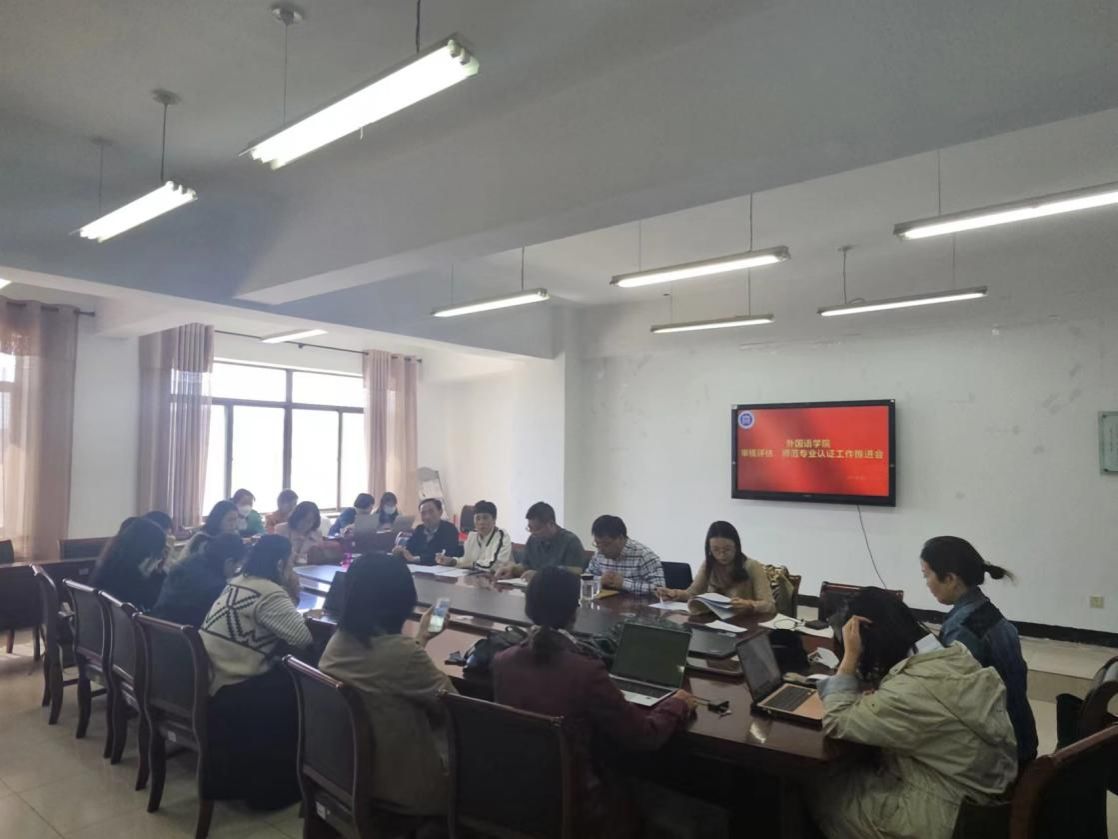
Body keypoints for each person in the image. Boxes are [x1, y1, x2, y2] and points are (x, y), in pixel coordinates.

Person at [809, 588, 1017, 839]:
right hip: (979, 806)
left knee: (821, 788)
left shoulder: (909, 690)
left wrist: (849, 659)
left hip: (941, 817)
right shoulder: (957, 658)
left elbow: (837, 720)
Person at [493, 567, 696, 820]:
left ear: (528, 606)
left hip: (516, 798)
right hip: (577, 807)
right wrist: (677, 704)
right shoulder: (585, 671)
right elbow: (644, 736)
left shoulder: (502, 661)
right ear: (574, 611)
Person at [319, 554, 457, 816]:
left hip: (349, 773)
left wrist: (422, 637)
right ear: (401, 599)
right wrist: (417, 646)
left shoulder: (337, 642)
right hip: (403, 787)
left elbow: (389, 669)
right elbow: (456, 711)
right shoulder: (404, 656)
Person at [200, 535, 313, 810]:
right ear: (280, 564)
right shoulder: (270, 592)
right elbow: (303, 639)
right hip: (235, 685)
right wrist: (292, 594)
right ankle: (282, 785)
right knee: (304, 687)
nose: (292, 569)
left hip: (211, 677)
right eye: (290, 563)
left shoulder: (237, 581)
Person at [920, 535, 1038, 764]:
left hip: (1001, 754)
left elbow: (952, 699)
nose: (926, 583)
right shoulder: (987, 611)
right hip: (1023, 738)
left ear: (951, 579)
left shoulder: (962, 628)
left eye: (927, 575)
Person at [655, 521, 775, 616]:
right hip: (716, 623)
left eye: (727, 549)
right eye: (716, 550)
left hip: (747, 625)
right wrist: (673, 593)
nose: (722, 555)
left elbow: (770, 605)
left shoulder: (752, 566)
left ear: (737, 547)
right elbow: (692, 593)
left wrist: (750, 605)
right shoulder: (709, 564)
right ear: (709, 549)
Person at [150, 534, 247, 626]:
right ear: (229, 562)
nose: (236, 570)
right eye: (237, 566)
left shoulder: (187, 562)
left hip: (157, 625)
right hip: (186, 634)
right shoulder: (216, 587)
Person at [495, 501, 587, 580]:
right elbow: (526, 565)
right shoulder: (533, 539)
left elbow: (577, 571)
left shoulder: (570, 541)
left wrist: (541, 575)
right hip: (533, 588)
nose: (533, 533)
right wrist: (512, 569)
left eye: (537, 529)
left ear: (551, 524)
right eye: (530, 528)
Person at [90, 517, 169, 610]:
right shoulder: (134, 579)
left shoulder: (108, 566)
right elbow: (156, 604)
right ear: (148, 552)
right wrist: (158, 573)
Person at [586, 515, 665, 595]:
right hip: (606, 602)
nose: (600, 549)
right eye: (597, 543)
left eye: (606, 544)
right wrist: (600, 580)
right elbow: (586, 578)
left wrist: (624, 583)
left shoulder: (644, 556)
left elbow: (660, 589)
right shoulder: (599, 554)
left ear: (620, 538)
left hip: (636, 602)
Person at [439, 499, 511, 570]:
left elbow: (496, 564)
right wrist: (452, 561)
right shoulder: (472, 536)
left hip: (495, 576)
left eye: (485, 518)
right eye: (477, 518)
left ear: (494, 519)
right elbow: (466, 560)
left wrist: (471, 564)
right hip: (473, 576)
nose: (481, 522)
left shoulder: (501, 536)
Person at [394, 498, 462, 566]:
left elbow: (444, 555)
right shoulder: (419, 529)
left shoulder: (449, 529)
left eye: (431, 511)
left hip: (439, 570)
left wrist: (416, 559)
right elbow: (409, 549)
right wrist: (401, 552)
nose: (427, 517)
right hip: (417, 569)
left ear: (440, 512)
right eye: (423, 513)